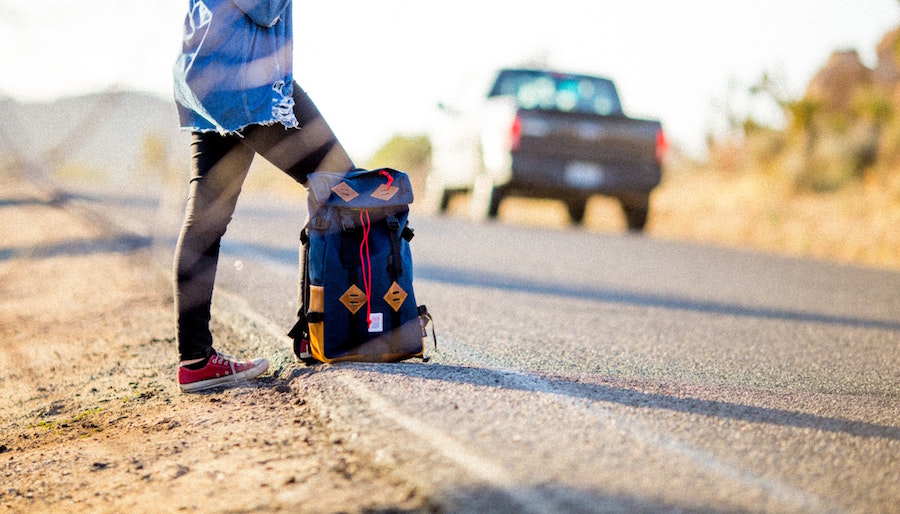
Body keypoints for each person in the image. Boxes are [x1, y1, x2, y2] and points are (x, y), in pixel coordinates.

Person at [172, 0, 354, 392]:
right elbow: (265, 7)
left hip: (208, 78)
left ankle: (196, 360)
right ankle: (342, 329)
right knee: (340, 183)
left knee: (205, 219)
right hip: (245, 83)